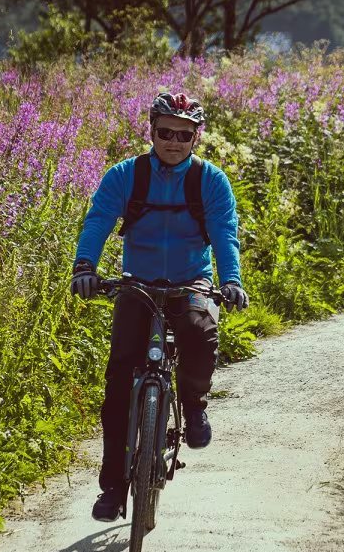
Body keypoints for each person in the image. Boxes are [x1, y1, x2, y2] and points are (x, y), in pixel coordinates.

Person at [70, 92, 249, 523]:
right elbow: (99, 219)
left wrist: (230, 281)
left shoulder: (210, 181)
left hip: (191, 279)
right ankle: (113, 487)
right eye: (166, 132)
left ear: (195, 139)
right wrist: (85, 266)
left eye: (183, 135)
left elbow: (225, 233)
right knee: (116, 386)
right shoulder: (125, 176)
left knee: (201, 331)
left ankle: (194, 404)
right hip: (137, 281)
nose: (173, 142)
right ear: (151, 130)